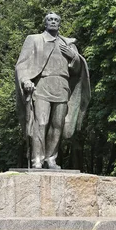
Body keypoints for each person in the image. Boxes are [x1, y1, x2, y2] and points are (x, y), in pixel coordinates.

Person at [15, 12, 90, 169]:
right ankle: (37, 159)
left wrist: (74, 58)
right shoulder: (34, 40)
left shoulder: (68, 44)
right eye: (50, 19)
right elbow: (21, 64)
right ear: (45, 23)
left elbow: (77, 71)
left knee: (58, 124)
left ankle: (51, 158)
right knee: (41, 123)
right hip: (42, 84)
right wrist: (26, 80)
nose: (53, 22)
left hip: (62, 86)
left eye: (56, 20)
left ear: (59, 23)